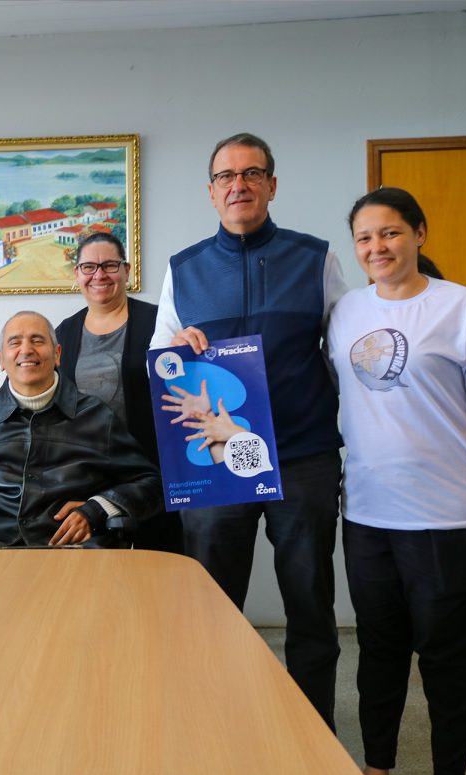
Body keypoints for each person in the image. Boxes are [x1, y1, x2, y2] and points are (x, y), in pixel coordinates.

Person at [329, 187, 466, 775]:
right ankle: (378, 773)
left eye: (390, 233)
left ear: (419, 234)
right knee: (378, 655)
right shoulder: (344, 313)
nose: (377, 247)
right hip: (366, 517)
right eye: (364, 237)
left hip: (450, 521)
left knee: (447, 663)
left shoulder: (465, 310)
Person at [149, 132, 346, 729]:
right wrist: (177, 347)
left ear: (272, 185)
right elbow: (160, 355)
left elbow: (343, 354)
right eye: (227, 176)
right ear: (211, 192)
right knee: (212, 605)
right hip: (213, 463)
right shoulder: (183, 269)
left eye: (252, 173)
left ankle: (312, 735)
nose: (240, 185)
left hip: (302, 457)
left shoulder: (317, 258)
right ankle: (217, 727)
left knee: (310, 604)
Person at [0, 311, 162, 547]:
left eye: (37, 340)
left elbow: (150, 484)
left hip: (74, 553)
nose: (26, 349)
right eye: (15, 342)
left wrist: (97, 508)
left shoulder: (97, 416)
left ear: (57, 355)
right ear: (2, 360)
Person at [55, 231, 183, 553]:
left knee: (156, 575)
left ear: (126, 270)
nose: (99, 275)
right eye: (89, 267)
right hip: (86, 480)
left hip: (151, 476)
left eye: (110, 265)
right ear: (77, 275)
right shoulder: (64, 333)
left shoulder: (159, 322)